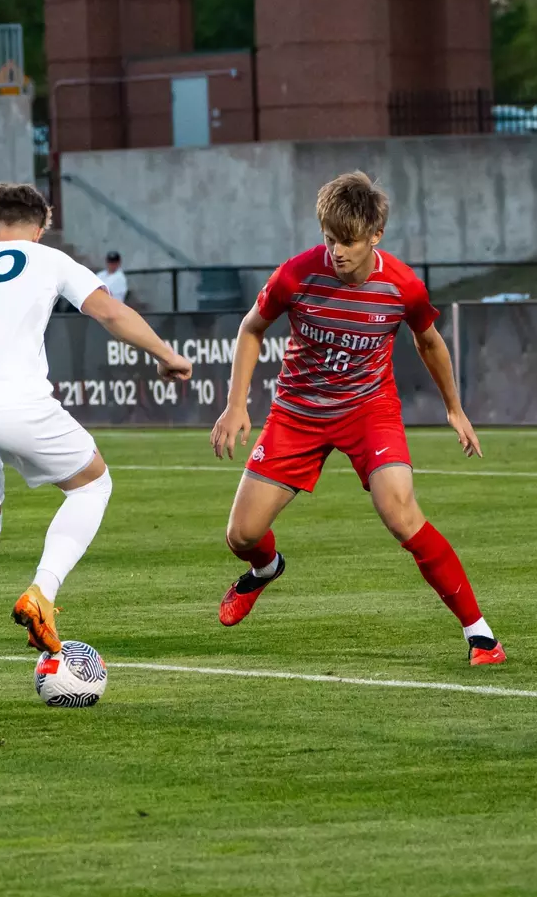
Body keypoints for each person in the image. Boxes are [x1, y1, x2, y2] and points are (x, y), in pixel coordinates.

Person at [0, 183, 192, 709]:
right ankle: (42, 592)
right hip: (16, 404)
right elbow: (110, 313)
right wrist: (165, 354)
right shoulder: (46, 259)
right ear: (40, 229)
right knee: (92, 485)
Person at [210, 171, 505, 666]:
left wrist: (455, 408)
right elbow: (251, 328)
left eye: (347, 242)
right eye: (329, 240)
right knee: (241, 536)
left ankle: (481, 637)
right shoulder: (297, 274)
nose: (337, 252)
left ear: (375, 237)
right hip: (298, 412)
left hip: (369, 409)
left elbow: (428, 341)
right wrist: (236, 402)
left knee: (400, 512)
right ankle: (265, 570)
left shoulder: (403, 285)